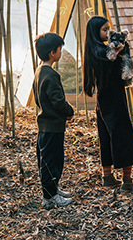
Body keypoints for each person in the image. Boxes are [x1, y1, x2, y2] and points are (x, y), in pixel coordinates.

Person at [83, 15, 133, 192]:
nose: (108, 32)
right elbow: (118, 61)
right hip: (114, 97)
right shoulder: (106, 52)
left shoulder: (93, 50)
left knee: (106, 134)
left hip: (103, 97)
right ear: (95, 32)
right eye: (104, 29)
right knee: (124, 135)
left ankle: (107, 176)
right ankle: (127, 181)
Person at [33, 32, 75, 209]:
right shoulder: (51, 75)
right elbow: (58, 101)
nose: (61, 52)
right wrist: (69, 111)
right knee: (52, 161)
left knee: (49, 159)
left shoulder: (39, 71)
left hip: (45, 124)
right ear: (53, 52)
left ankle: (53, 189)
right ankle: (49, 197)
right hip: (52, 126)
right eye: (60, 49)